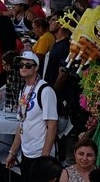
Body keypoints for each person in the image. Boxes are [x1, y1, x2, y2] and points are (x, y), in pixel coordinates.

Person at [6, 51, 58, 182]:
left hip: (40, 154)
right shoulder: (23, 90)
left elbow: (52, 125)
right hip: (26, 152)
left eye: (28, 65)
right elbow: (22, 123)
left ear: (36, 68)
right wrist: (12, 152)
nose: (23, 67)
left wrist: (44, 159)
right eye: (21, 64)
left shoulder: (45, 90)